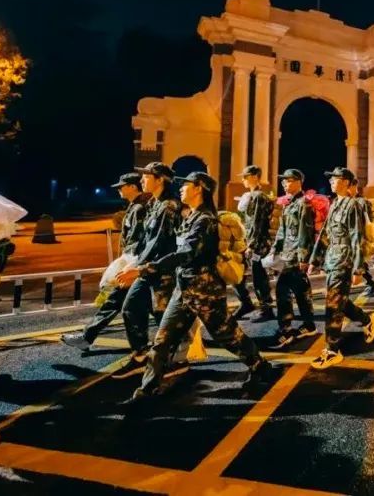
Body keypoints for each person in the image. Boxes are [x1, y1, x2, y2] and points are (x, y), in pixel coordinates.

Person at [128, 172, 273, 401]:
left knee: (227, 335)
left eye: (186, 185)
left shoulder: (205, 220)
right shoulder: (190, 217)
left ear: (199, 189)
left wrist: (145, 269)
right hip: (183, 289)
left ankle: (259, 365)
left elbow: (186, 253)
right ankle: (147, 390)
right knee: (163, 340)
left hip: (205, 291)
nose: (181, 189)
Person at [62, 172, 151, 352]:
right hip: (135, 265)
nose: (119, 189)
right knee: (120, 303)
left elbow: (138, 241)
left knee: (131, 305)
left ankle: (162, 344)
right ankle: (88, 338)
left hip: (136, 265)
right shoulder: (135, 207)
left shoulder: (139, 209)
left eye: (121, 186)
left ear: (133, 187)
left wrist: (130, 264)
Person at [111, 162, 182, 379]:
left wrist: (137, 268)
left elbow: (159, 243)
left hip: (163, 271)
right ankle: (141, 356)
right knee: (131, 308)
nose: (142, 180)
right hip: (146, 269)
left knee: (164, 318)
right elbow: (145, 240)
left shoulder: (169, 206)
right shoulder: (154, 203)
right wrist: (132, 264)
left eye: (146, 176)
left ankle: (175, 360)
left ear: (160, 179)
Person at [308, 167, 374, 369]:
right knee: (339, 300)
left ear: (347, 183)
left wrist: (358, 269)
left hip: (345, 259)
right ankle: (367, 320)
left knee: (332, 305)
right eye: (331, 179)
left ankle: (332, 350)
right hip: (332, 258)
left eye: (337, 179)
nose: (332, 182)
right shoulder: (335, 203)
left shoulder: (353, 205)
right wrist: (315, 259)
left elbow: (357, 238)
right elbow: (325, 232)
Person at [269, 169, 318, 348]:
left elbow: (306, 233)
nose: (284, 183)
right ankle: (309, 324)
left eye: (288, 181)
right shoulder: (289, 204)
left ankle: (286, 330)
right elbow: (283, 232)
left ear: (299, 182)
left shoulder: (303, 204)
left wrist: (304, 258)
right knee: (301, 291)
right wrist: (275, 251)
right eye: (283, 181)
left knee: (283, 290)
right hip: (287, 255)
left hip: (296, 257)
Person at [238, 165, 276, 322]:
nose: (243, 180)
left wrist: (251, 245)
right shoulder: (252, 196)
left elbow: (256, 223)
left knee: (259, 276)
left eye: (245, 177)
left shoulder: (258, 197)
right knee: (252, 275)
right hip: (254, 241)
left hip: (258, 243)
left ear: (254, 177)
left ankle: (266, 308)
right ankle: (253, 305)